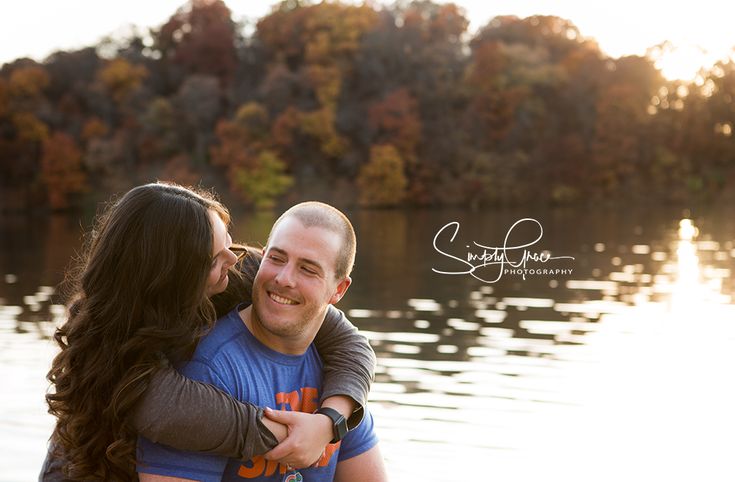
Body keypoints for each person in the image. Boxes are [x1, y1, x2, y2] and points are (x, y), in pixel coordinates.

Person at [42, 183, 375, 481]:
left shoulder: (245, 272)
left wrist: (330, 421)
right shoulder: (121, 367)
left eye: (229, 243)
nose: (235, 258)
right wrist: (291, 433)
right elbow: (200, 417)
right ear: (175, 277)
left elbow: (350, 343)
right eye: (216, 257)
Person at [137, 201, 388, 481]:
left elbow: (356, 347)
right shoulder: (207, 369)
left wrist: (330, 422)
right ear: (263, 257)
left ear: (338, 289)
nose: (284, 278)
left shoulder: (336, 376)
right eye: (277, 258)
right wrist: (283, 432)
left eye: (308, 269)